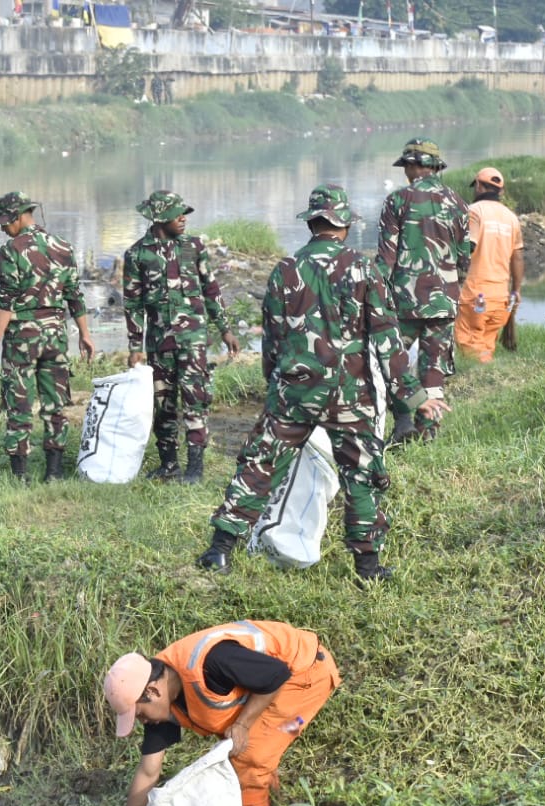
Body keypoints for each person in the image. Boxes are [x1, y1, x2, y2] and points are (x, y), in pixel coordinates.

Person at [197, 184, 449, 581]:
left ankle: (219, 551)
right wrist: (414, 397)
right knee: (362, 476)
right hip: (351, 394)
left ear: (312, 224)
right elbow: (386, 337)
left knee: (260, 466)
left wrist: (275, 386)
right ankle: (368, 568)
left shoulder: (286, 269)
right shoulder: (364, 268)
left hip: (293, 389)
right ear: (344, 226)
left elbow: (273, 337)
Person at [99, 620, 340, 806]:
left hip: (308, 676)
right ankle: (270, 802)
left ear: (152, 691)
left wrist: (244, 724)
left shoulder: (211, 662)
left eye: (140, 714)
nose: (143, 721)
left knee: (251, 756)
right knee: (246, 750)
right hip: (272, 684)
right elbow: (148, 772)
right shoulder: (160, 695)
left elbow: (276, 675)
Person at [122, 190, 240, 483]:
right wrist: (135, 346)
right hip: (159, 343)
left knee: (195, 400)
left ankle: (195, 468)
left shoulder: (194, 247)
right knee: (163, 405)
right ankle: (169, 465)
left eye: (184, 213)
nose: (183, 219)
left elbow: (211, 290)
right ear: (160, 218)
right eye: (177, 214)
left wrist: (225, 329)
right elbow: (133, 304)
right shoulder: (137, 254)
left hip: (193, 342)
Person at [0, 192, 95, 483]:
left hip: (23, 338)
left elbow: (6, 299)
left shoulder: (11, 251)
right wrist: (85, 334)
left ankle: (20, 477)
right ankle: (54, 474)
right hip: (56, 336)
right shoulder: (63, 246)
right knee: (55, 405)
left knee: (19, 405)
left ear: (19, 216)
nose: (4, 229)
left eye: (6, 222)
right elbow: (74, 295)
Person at [376, 137, 473, 445]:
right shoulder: (457, 203)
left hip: (402, 302)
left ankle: (403, 420)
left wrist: (373, 299)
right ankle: (428, 433)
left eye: (407, 166)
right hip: (443, 302)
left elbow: (386, 260)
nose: (406, 171)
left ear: (415, 166)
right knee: (433, 369)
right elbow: (464, 258)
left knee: (390, 360)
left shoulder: (397, 201)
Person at [454, 167, 525, 364]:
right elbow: (517, 257)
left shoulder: (474, 212)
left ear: (478, 185)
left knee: (468, 344)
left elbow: (469, 246)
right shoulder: (511, 218)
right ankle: (489, 377)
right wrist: (516, 291)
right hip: (501, 297)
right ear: (500, 191)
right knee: (486, 345)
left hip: (476, 294)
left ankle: (482, 382)